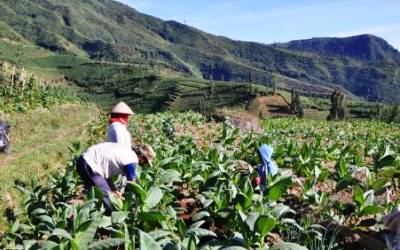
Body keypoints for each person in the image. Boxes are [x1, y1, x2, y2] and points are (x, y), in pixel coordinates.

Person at [76, 142, 156, 213]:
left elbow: (105, 174)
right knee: (108, 201)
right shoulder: (132, 160)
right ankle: (100, 223)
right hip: (89, 165)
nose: (144, 164)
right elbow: (133, 185)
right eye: (145, 162)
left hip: (85, 161)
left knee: (104, 196)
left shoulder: (126, 151)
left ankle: (90, 214)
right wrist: (134, 205)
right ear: (141, 156)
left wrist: (113, 190)